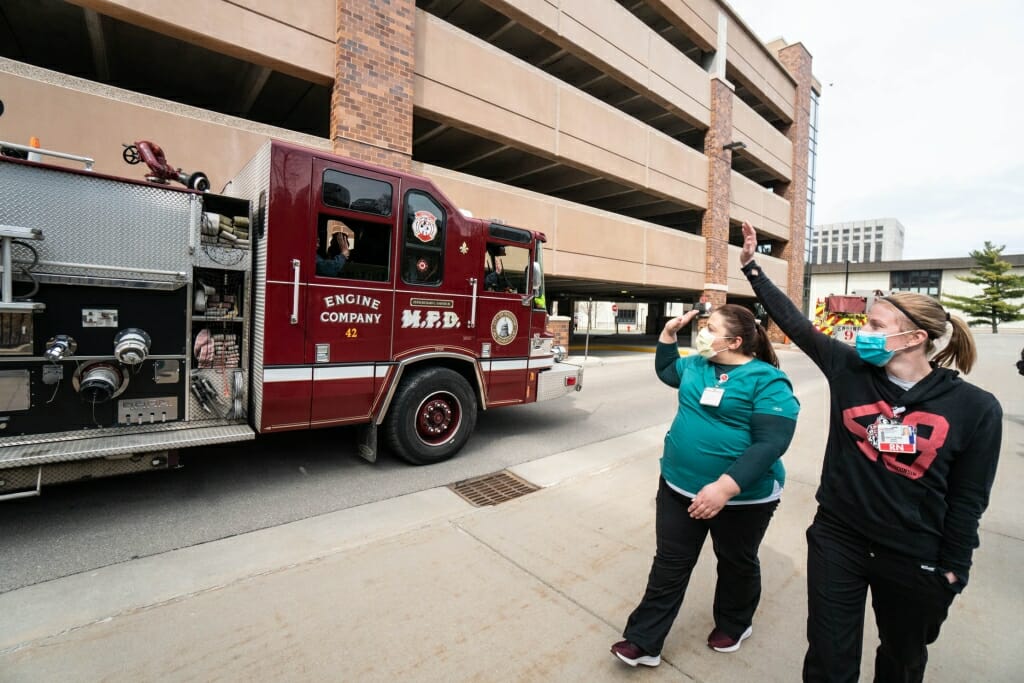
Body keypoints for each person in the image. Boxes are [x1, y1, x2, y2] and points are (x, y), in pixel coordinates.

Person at [738, 221, 1002, 682]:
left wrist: (953, 570)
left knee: (901, 661)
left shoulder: (976, 408)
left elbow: (968, 499)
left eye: (876, 325)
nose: (864, 332)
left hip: (914, 552)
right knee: (828, 658)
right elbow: (797, 326)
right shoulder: (849, 368)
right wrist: (752, 270)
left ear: (915, 337)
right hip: (838, 538)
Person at [611, 304, 800, 668]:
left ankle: (735, 622)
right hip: (677, 487)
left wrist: (725, 488)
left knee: (735, 562)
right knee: (670, 563)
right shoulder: (697, 365)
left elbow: (770, 443)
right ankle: (644, 641)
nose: (702, 333)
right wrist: (668, 336)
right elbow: (667, 370)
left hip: (743, 499)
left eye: (710, 328)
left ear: (735, 340)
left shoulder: (767, 380)